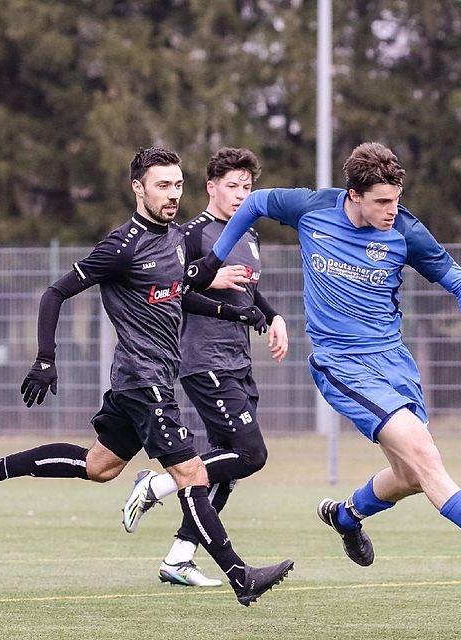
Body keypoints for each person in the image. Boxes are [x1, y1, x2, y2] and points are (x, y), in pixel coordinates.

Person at [184, 141, 461, 584]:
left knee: (409, 475)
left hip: (394, 364)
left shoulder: (404, 230)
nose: (390, 210)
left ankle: (346, 516)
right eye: (381, 201)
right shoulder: (312, 208)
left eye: (396, 199)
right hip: (341, 364)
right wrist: (211, 261)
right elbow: (254, 203)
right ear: (354, 195)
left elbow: (458, 279)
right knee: (425, 456)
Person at [0, 146, 293, 606]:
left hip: (148, 379)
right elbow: (54, 294)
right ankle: (239, 576)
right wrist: (45, 358)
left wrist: (236, 313)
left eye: (177, 185)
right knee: (191, 474)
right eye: (162, 185)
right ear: (138, 188)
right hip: (142, 379)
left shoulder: (172, 238)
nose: (173, 195)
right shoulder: (120, 247)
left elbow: (176, 296)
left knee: (100, 466)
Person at [120, 147, 289, 589]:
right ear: (211, 187)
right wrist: (221, 303)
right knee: (250, 454)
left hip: (237, 359)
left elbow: (247, 289)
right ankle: (156, 485)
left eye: (247, 188)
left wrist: (273, 316)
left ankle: (179, 558)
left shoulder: (248, 234)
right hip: (203, 360)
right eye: (231, 186)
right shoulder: (192, 234)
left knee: (226, 469)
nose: (239, 195)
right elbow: (179, 289)